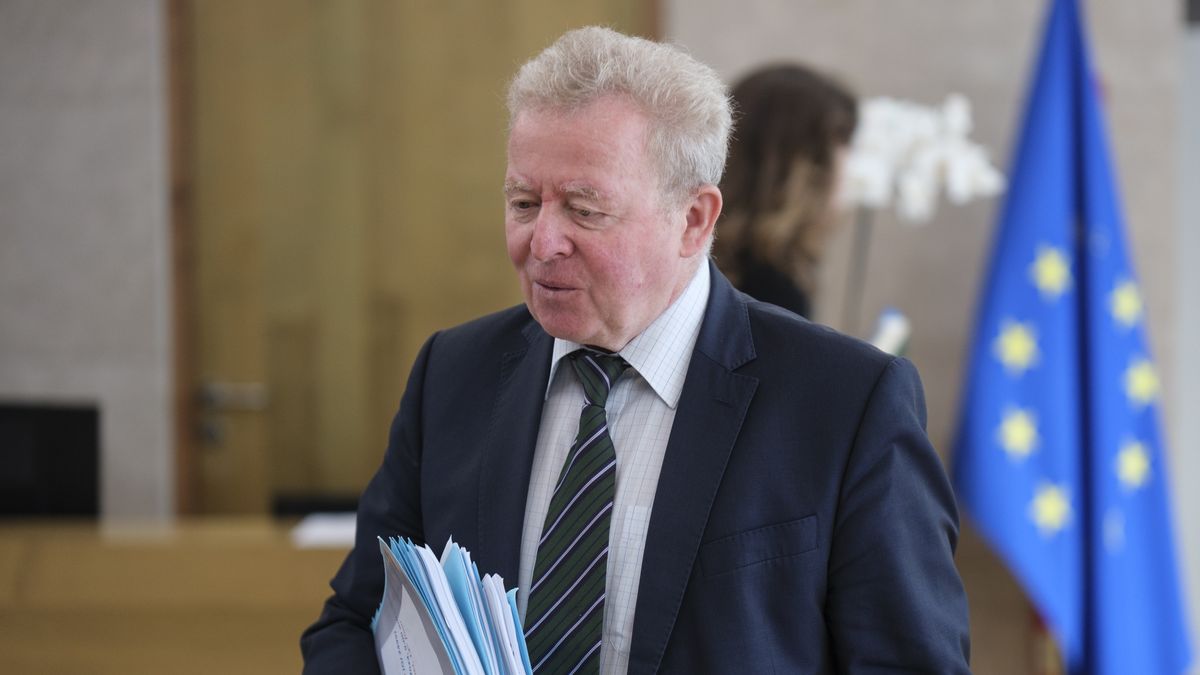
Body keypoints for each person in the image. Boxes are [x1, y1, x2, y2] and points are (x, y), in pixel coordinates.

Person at [301, 27, 969, 674]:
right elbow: (358, 620)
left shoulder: (847, 403)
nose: (542, 241)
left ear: (694, 219)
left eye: (586, 211)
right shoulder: (454, 374)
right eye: (525, 201)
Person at [714, 64, 858, 319]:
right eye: (845, 143)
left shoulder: (710, 265)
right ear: (806, 169)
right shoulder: (774, 293)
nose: (850, 165)